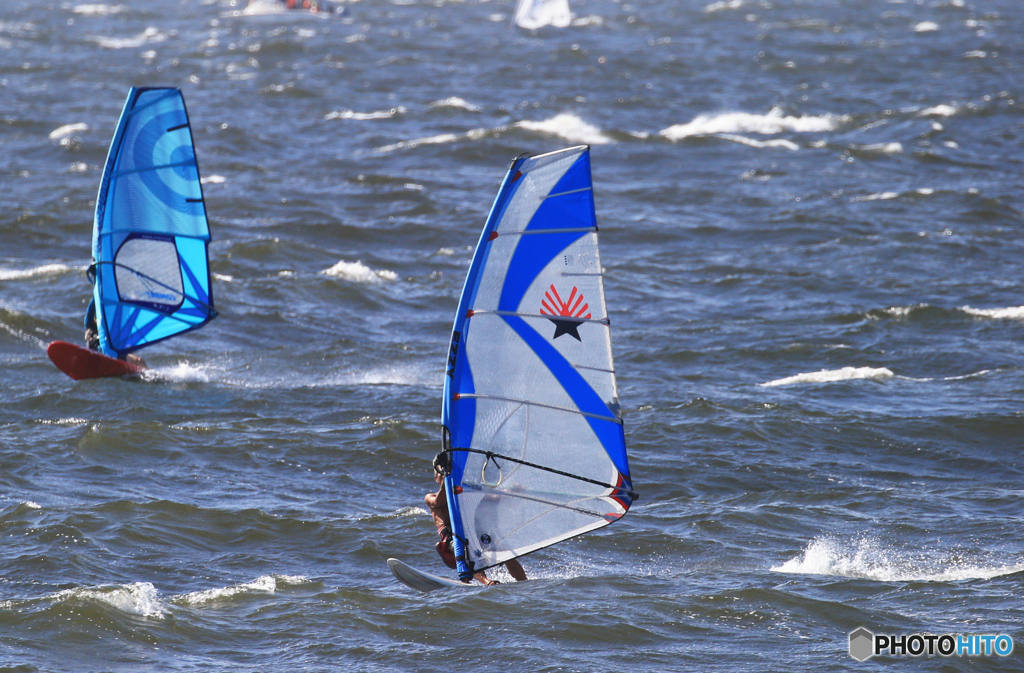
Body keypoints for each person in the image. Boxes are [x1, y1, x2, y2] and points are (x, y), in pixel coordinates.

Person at [425, 463, 526, 585]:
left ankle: (524, 582)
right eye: (442, 474)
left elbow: (493, 496)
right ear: (436, 478)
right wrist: (447, 479)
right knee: (468, 552)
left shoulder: (463, 494)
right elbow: (438, 502)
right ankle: (487, 582)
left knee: (506, 553)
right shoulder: (431, 497)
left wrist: (513, 490)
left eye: (448, 474)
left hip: (472, 531)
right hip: (452, 536)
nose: (446, 476)